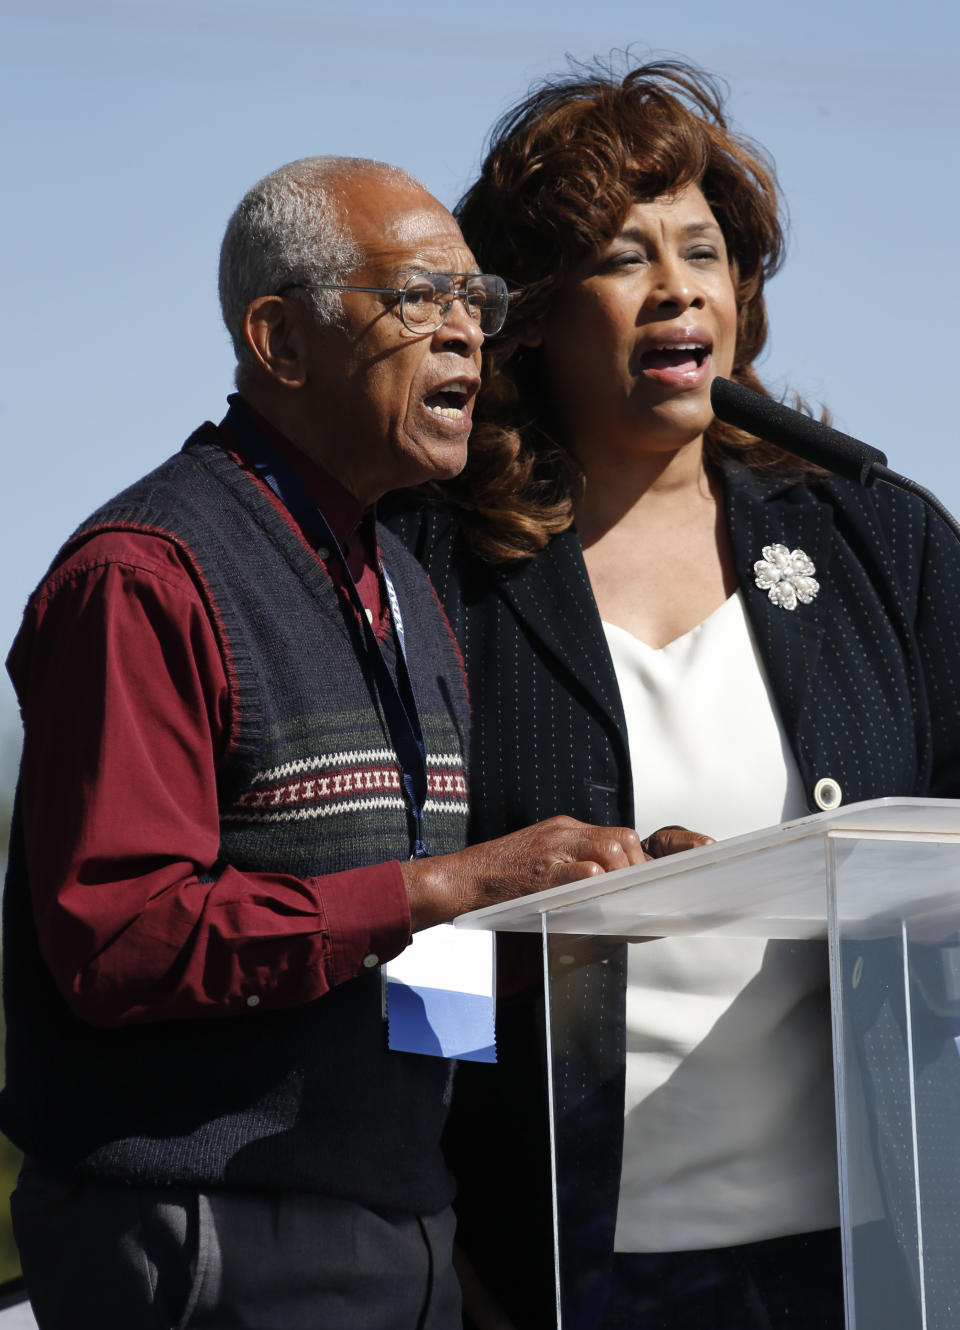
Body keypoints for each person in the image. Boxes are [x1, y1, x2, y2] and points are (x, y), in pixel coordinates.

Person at [0, 154, 671, 1330]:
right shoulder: (144, 579)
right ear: (279, 339)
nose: (467, 332)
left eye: (480, 301)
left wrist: (578, 921)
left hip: (403, 1231)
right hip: (212, 1235)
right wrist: (438, 885)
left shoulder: (404, 585)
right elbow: (119, 941)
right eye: (421, 297)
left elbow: (419, 981)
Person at [386, 60, 960, 1330]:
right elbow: (392, 930)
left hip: (879, 1242)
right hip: (558, 1259)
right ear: (528, 317)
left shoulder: (886, 541)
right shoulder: (437, 572)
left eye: (703, 250)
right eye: (620, 256)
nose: (678, 286)